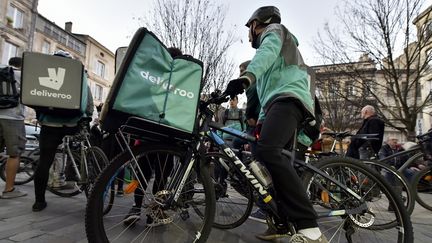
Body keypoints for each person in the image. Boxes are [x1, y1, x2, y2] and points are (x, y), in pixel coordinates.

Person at [224, 6, 327, 242]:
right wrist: (260, 123)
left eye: (249, 28)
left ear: (255, 24)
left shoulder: (274, 31)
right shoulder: (274, 62)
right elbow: (266, 95)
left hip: (290, 98)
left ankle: (310, 228)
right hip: (278, 102)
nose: (250, 34)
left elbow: (266, 52)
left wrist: (246, 78)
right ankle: (281, 221)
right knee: (263, 159)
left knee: (269, 152)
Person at [32, 50, 94, 212]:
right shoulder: (78, 74)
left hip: (49, 123)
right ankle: (84, 179)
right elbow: (86, 104)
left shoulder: (44, 70)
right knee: (84, 152)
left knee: (44, 161)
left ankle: (39, 202)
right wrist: (86, 118)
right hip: (72, 122)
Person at [0, 57, 27, 199]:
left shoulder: (1, 70)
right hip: (13, 117)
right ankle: (9, 189)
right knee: (14, 154)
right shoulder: (22, 75)